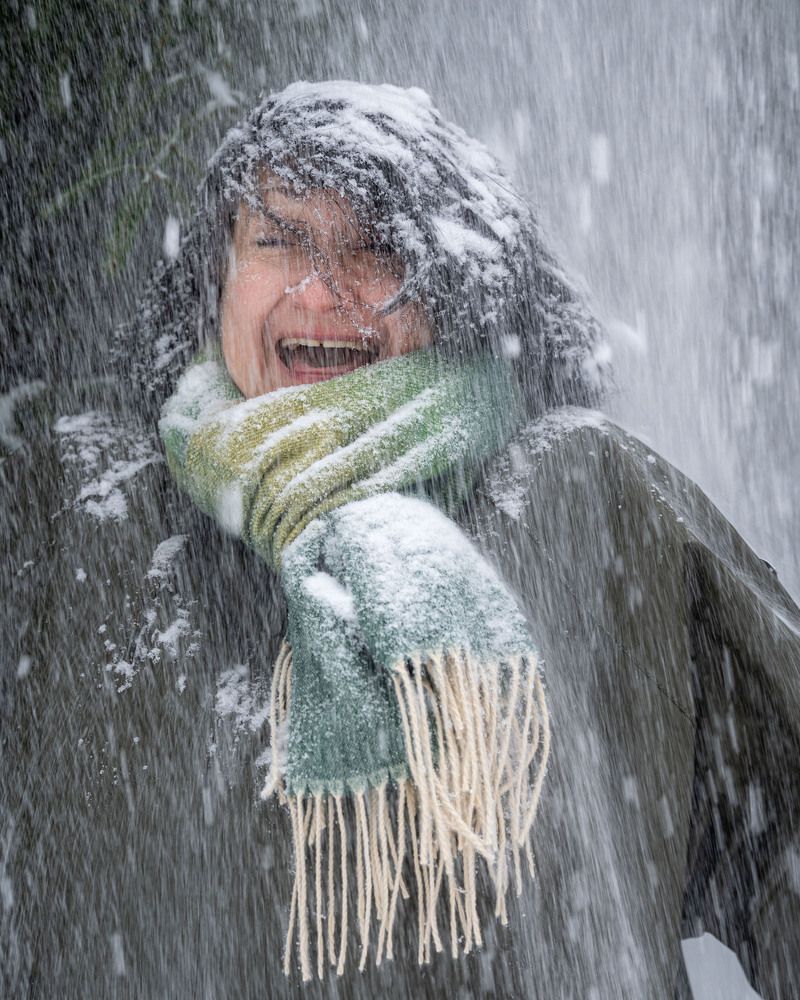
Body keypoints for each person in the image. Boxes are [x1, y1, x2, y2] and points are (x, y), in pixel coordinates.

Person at [3, 81, 799, 999]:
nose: (316, 291)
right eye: (277, 240)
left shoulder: (587, 500)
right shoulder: (75, 511)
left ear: (459, 289)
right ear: (217, 275)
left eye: (374, 249)